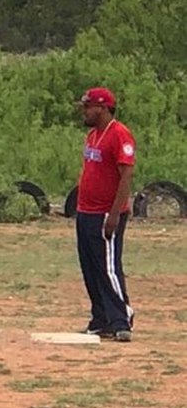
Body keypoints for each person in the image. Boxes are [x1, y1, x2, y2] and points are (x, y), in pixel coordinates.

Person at [75, 86, 136, 342]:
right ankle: (101, 319)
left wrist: (115, 214)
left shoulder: (119, 135)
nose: (85, 112)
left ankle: (120, 319)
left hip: (104, 213)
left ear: (102, 108)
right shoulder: (92, 135)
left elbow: (126, 174)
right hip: (85, 211)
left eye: (88, 107)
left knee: (108, 267)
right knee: (90, 268)